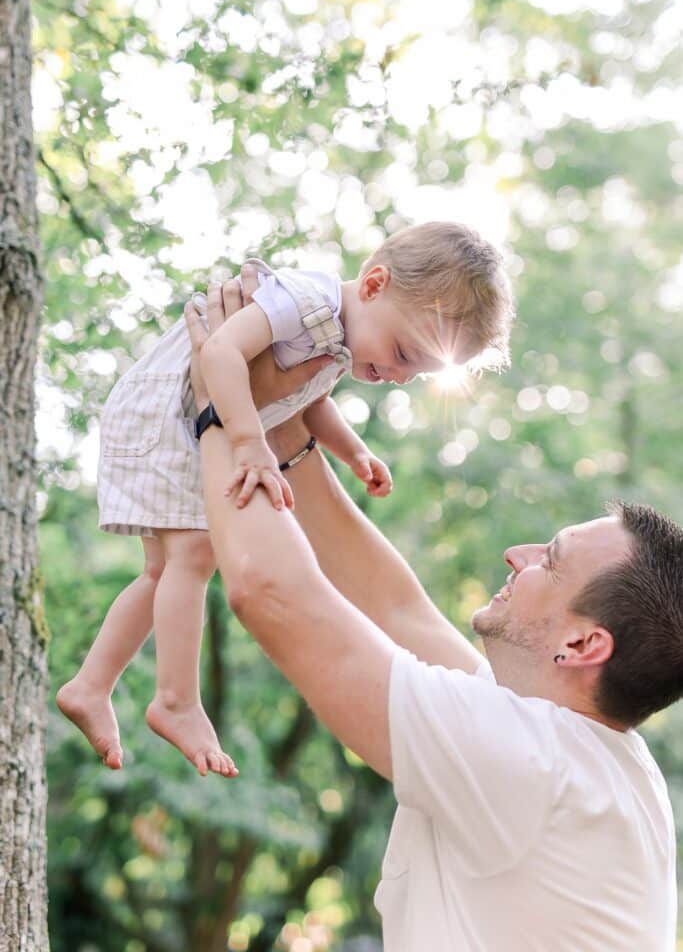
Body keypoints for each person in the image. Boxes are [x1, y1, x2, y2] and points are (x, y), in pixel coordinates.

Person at [184, 272, 681, 951]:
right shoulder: (575, 747)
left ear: (581, 644)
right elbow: (396, 609)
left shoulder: (535, 766)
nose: (516, 554)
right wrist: (280, 421)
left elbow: (272, 594)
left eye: (550, 560)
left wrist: (216, 411)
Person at [57, 221, 514, 776]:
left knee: (164, 571)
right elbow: (220, 353)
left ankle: (91, 684)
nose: (397, 375)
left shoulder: (341, 338)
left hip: (171, 418)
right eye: (402, 353)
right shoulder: (309, 299)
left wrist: (354, 453)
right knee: (195, 557)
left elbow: (310, 400)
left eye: (415, 372)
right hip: (163, 413)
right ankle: (174, 700)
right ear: (372, 285)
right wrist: (248, 443)